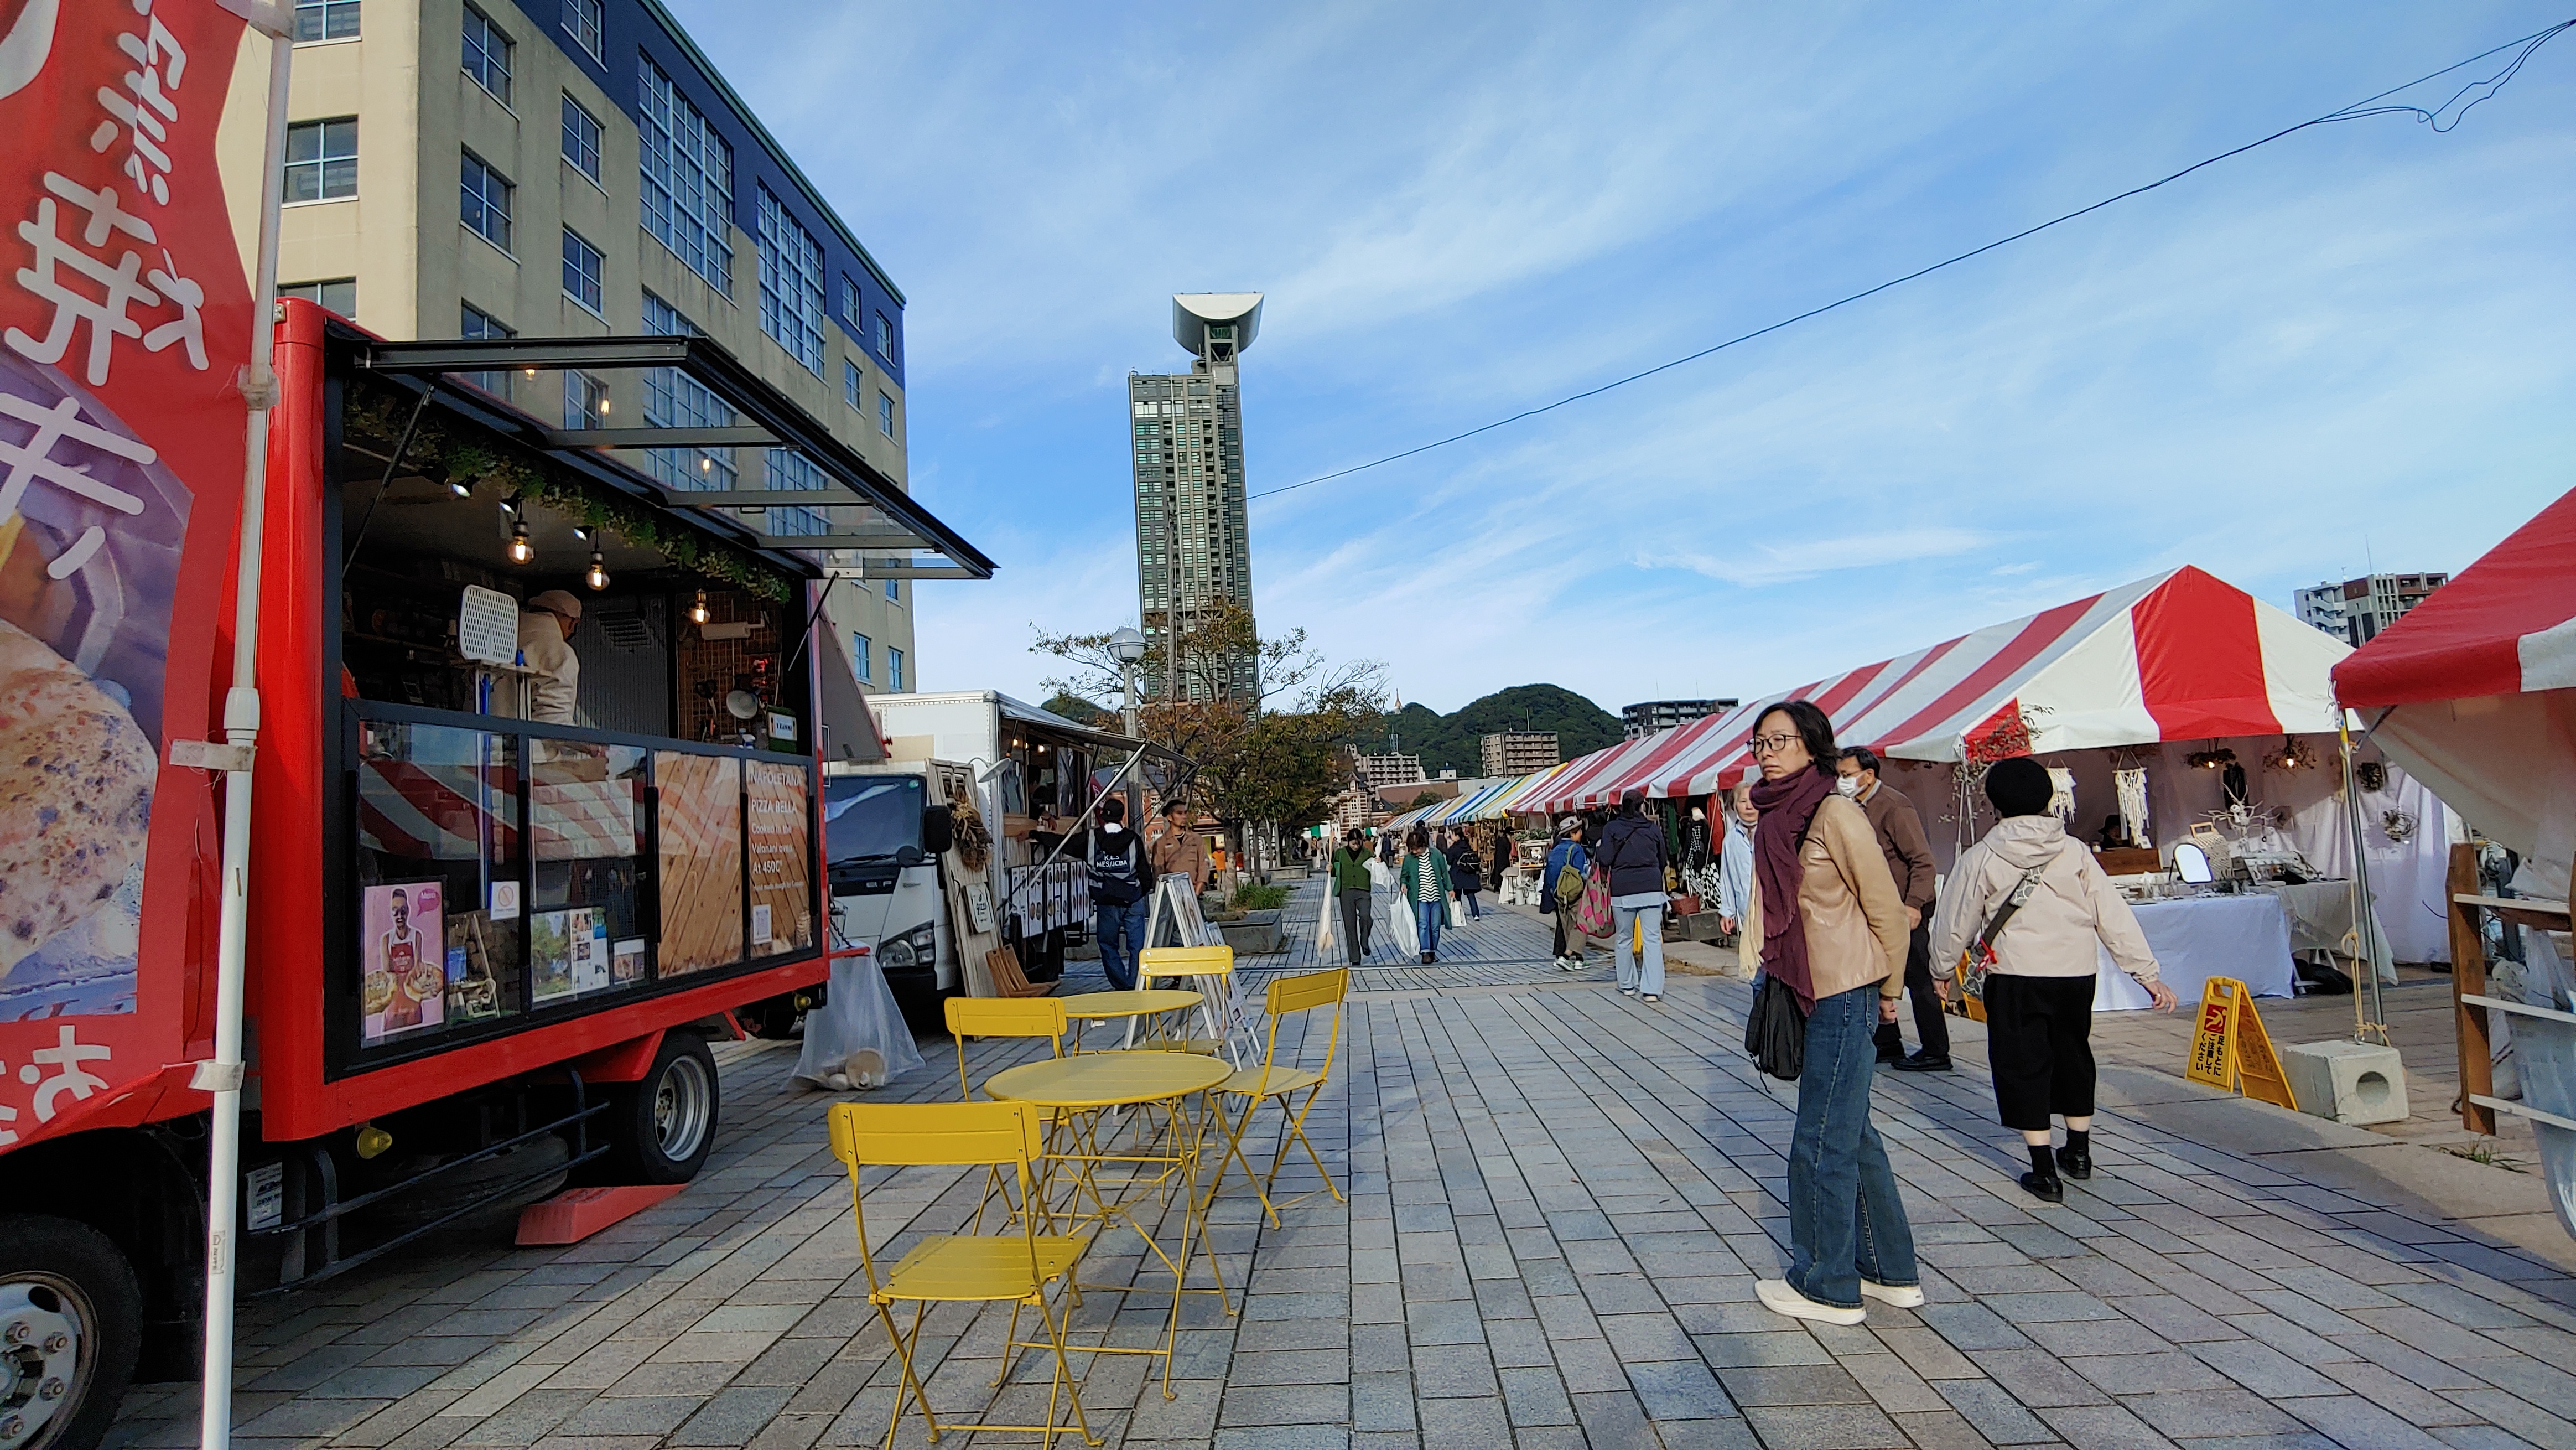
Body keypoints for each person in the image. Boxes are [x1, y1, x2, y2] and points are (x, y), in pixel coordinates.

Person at [1742, 700, 1919, 1326]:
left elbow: (1885, 908)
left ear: (1813, 744)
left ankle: (1826, 1283)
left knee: (1820, 1137)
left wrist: (1891, 989)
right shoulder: (1775, 816)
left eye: (1780, 741)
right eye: (1759, 743)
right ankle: (1889, 1270)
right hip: (1803, 987)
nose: (1767, 753)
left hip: (1844, 989)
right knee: (1852, 1130)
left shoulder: (1835, 812)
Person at [1931, 756, 2177, 1203]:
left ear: (1995, 803)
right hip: (2075, 972)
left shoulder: (1981, 856)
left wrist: (1942, 970)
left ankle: (2043, 1170)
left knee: (2022, 1063)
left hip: (2015, 973)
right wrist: (2146, 973)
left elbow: (1955, 920)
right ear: (2048, 797)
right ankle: (2079, 1151)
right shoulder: (2075, 851)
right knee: (2073, 1054)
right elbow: (2112, 914)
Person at [1836, 747, 1946, 1072]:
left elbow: (1922, 861)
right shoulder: (1851, 807)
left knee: (1917, 978)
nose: (1842, 781)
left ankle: (1936, 1050)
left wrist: (1913, 905)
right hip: (1874, 909)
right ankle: (1887, 1041)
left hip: (1904, 909)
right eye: (1839, 775)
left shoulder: (1894, 806)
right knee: (1877, 975)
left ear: (1869, 775)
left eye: (1847, 775)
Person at [1597, 788, 1670, 1002]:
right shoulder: (1652, 829)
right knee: (1652, 939)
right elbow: (1663, 858)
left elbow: (1605, 859)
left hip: (1623, 890)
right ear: (1642, 806)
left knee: (1624, 938)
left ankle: (1627, 984)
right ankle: (1652, 990)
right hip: (1651, 887)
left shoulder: (1612, 828)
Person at [1078, 797, 1155, 991]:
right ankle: (1136, 983)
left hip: (1107, 902)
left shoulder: (1091, 838)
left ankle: (1122, 984)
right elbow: (1145, 871)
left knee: (1107, 944)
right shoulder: (1134, 839)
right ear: (1122, 816)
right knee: (1137, 946)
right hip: (1133, 899)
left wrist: (1035, 834)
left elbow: (1062, 842)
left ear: (1103, 816)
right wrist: (1140, 892)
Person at [517, 589, 585, 724]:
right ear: (572, 622)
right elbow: (553, 720)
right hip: (518, 737)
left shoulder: (501, 639)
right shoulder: (561, 653)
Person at [1394, 826, 1453, 963]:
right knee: (1423, 924)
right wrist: (1404, 884)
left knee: (1435, 926)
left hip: (1436, 896)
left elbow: (1444, 873)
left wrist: (1450, 889)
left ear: (1423, 845)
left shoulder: (1436, 855)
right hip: (1420, 897)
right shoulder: (1409, 859)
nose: (1415, 852)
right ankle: (1425, 952)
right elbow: (1404, 875)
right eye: (1412, 849)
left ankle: (1432, 951)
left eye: (1417, 849)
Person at [1543, 816, 1591, 971]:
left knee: (1567, 926)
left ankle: (1579, 959)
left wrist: (1554, 891)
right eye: (1579, 831)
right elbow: (1581, 872)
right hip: (1574, 893)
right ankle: (1567, 956)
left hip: (1559, 894)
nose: (1581, 834)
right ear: (1572, 833)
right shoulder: (1577, 849)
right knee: (1581, 924)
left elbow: (1549, 874)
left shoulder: (1555, 850)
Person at [1715, 785, 1757, 960]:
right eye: (1743, 801)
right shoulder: (1730, 840)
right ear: (1734, 806)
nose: (1749, 807)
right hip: (1746, 911)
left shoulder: (1771, 832)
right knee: (1754, 966)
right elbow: (1727, 878)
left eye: (1753, 800)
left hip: (1773, 911)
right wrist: (1727, 911)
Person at [1329, 828, 1375, 966]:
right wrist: (1330, 869)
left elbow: (1376, 869)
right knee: (1350, 924)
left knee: (1366, 916)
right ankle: (1355, 958)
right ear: (1348, 842)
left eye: (1358, 843)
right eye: (1353, 843)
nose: (1356, 846)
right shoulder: (1340, 853)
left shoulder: (1367, 853)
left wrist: (1378, 862)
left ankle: (1365, 940)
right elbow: (1335, 871)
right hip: (1347, 890)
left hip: (1363, 890)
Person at [1148, 799, 1209, 895]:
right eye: (1179, 814)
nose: (1184, 817)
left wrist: (1197, 891)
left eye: (1185, 813)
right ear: (1170, 817)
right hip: (1172, 894)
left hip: (1194, 892)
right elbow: (1158, 872)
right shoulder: (1161, 843)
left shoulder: (1197, 839)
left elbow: (1204, 866)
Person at [1446, 832, 1485, 920]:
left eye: (1453, 835)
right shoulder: (1467, 845)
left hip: (1458, 873)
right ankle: (1476, 914)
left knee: (1458, 895)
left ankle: (1459, 913)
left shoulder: (1455, 847)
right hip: (1469, 873)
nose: (1451, 837)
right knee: (1470, 894)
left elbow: (1449, 861)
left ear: (1457, 836)